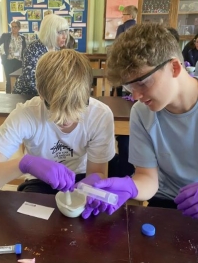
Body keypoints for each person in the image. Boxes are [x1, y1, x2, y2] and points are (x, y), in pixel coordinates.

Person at [81, 23, 198, 219]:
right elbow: (148, 178)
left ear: (174, 67)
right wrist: (129, 187)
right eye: (129, 87)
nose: (135, 96)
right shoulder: (142, 113)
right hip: (165, 203)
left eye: (142, 83)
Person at [0, 49, 115, 197]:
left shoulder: (100, 115)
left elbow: (97, 173)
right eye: (56, 110)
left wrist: (94, 186)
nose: (66, 120)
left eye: (76, 109)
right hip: (39, 180)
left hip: (81, 178)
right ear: (41, 94)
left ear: (89, 92)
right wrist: (24, 164)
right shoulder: (26, 115)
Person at [12, 14, 69, 95]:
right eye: (60, 33)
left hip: (46, 94)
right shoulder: (33, 48)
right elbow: (30, 80)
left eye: (65, 32)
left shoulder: (56, 48)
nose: (65, 36)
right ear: (49, 32)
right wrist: (53, 95)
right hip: (27, 94)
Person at [0, 20, 27, 93]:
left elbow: (24, 50)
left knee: (18, 80)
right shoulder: (6, 36)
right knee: (9, 80)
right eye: (12, 27)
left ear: (19, 28)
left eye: (15, 27)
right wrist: (1, 54)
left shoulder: (22, 38)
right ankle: (8, 97)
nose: (13, 29)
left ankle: (17, 96)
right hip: (8, 61)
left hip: (19, 62)